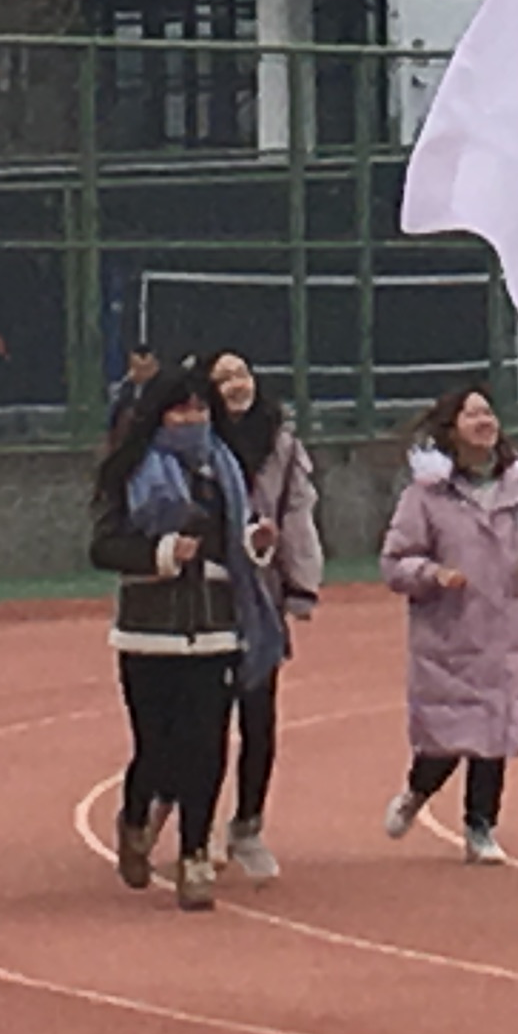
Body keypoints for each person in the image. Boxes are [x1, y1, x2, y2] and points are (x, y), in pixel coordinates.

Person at [88, 355, 283, 911]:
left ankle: (194, 852)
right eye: (180, 410)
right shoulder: (130, 472)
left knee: (208, 745)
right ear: (157, 414)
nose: (192, 419)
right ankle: (134, 818)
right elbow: (103, 547)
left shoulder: (226, 470)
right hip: (148, 632)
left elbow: (233, 540)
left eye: (200, 409)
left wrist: (254, 544)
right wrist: (162, 553)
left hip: (217, 629)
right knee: (157, 749)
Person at [379, 380, 518, 862]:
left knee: (494, 735)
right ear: (451, 430)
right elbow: (395, 560)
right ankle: (417, 791)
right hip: (449, 635)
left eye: (488, 412)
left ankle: (480, 825)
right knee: (446, 739)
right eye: (472, 414)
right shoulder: (427, 495)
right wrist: (433, 574)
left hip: (504, 631)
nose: (484, 422)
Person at [206, 347, 321, 881]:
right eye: (224, 377)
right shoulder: (197, 443)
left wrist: (300, 583)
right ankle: (196, 823)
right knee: (206, 716)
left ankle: (248, 825)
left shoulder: (282, 444)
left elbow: (297, 513)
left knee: (260, 716)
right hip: (208, 593)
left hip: (263, 596)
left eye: (243, 374)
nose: (237, 385)